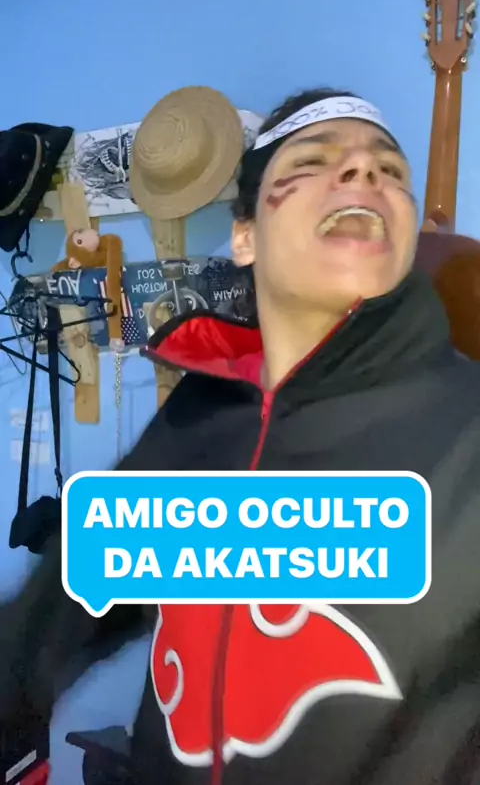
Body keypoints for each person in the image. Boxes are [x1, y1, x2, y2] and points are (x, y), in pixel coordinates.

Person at [2, 86, 480, 785]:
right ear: (245, 236)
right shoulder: (198, 416)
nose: (364, 171)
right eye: (313, 160)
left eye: (390, 168)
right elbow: (52, 620)